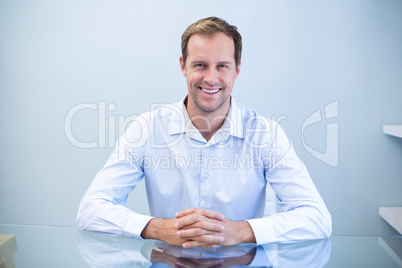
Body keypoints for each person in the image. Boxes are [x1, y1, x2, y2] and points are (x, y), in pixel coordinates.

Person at [77, 16, 331, 248]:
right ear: (183, 66)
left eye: (222, 66)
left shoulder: (266, 134)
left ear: (237, 70)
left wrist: (239, 232)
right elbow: (90, 210)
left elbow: (317, 218)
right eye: (200, 64)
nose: (211, 78)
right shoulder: (147, 129)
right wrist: (158, 228)